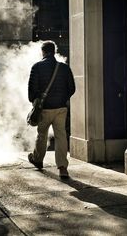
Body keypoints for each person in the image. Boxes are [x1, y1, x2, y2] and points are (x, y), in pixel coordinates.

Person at [28, 41, 75, 178]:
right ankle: (62, 168)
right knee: (61, 136)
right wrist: (63, 99)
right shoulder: (64, 68)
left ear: (43, 52)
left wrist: (36, 102)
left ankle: (38, 160)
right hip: (60, 108)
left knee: (42, 135)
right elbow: (72, 88)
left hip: (44, 109)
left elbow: (32, 90)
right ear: (54, 51)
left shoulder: (36, 67)